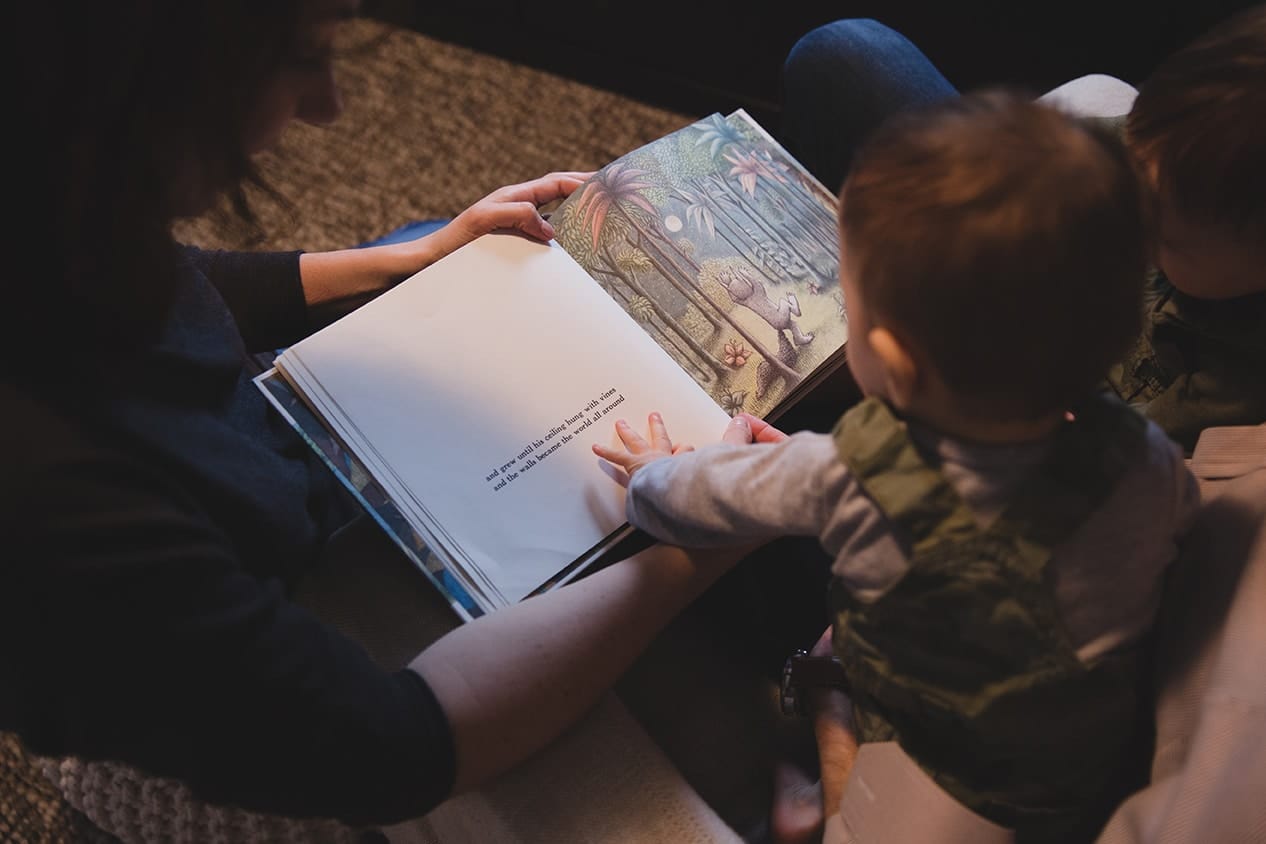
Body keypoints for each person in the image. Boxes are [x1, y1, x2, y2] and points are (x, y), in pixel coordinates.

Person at [3, 0, 759, 833]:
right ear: (142, 93)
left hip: (250, 496)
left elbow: (176, 279)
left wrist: (411, 259)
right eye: (297, 60)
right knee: (728, 773)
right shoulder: (58, 507)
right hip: (288, 658)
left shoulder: (52, 197)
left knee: (451, 246)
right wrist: (697, 547)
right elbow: (395, 747)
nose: (328, 106)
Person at [592, 92, 1200, 842]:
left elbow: (694, 501)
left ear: (894, 363)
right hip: (1080, 747)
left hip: (945, 773)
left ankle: (817, 804)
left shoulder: (852, 474)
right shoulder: (1144, 451)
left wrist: (654, 474)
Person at [780, 6, 1266, 456]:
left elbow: (1100, 462)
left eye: (1162, 235)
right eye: (1133, 167)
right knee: (842, 52)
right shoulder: (1175, 150)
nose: (1130, 211)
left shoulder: (1237, 384)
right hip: (1006, 262)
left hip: (1008, 396)